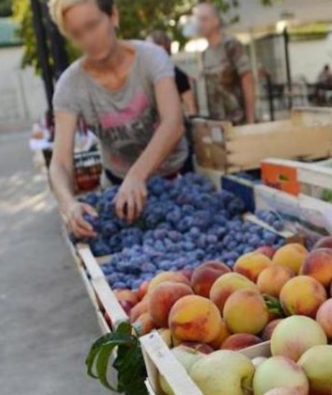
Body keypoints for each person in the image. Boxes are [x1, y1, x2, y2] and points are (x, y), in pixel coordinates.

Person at [48, 0, 188, 238]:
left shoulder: (151, 58)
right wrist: (68, 204)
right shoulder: (69, 86)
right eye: (77, 34)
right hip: (119, 188)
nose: (88, 39)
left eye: (92, 25)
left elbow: (173, 124)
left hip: (177, 181)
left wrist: (137, 174)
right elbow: (60, 161)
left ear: (113, 16)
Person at [193, 2, 255, 124]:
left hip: (237, 121)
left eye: (204, 19)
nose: (200, 24)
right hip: (217, 124)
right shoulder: (205, 54)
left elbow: (247, 80)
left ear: (216, 21)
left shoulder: (231, 45)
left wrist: (250, 120)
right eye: (198, 20)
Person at [147, 30, 197, 116]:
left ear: (161, 48)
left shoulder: (176, 74)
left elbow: (191, 106)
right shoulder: (148, 74)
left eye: (148, 47)